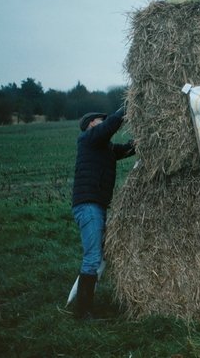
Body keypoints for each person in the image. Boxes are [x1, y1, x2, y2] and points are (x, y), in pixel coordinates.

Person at [72, 107, 135, 319]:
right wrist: (128, 106)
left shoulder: (103, 148)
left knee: (97, 255)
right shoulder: (88, 139)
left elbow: (126, 150)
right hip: (88, 205)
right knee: (92, 258)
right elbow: (109, 127)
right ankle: (83, 312)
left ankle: (84, 306)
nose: (103, 122)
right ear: (91, 124)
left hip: (96, 205)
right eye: (100, 120)